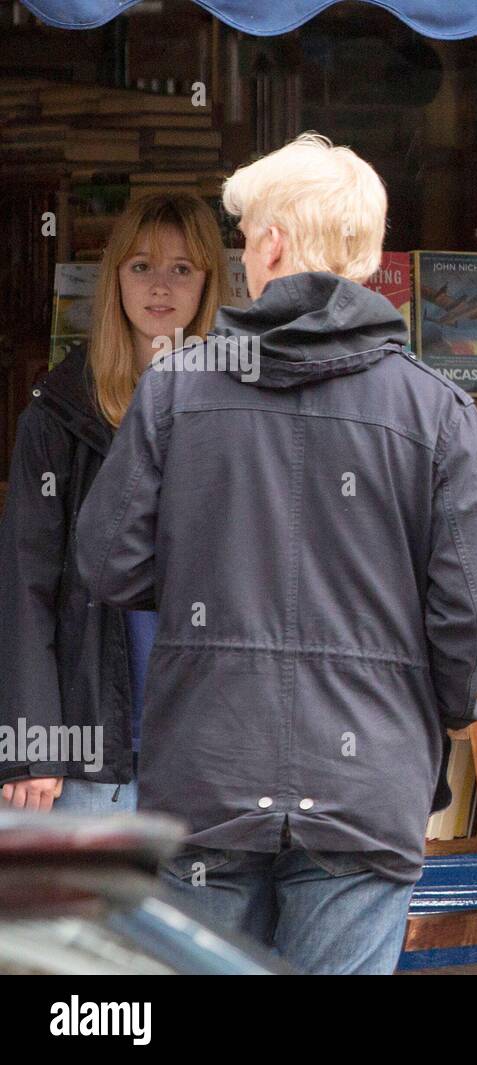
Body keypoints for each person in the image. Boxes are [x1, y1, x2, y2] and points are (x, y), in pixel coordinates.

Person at [74, 133, 477, 974]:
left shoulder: (175, 387)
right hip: (365, 784)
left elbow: (108, 564)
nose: (243, 258)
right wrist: (429, 709)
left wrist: (210, 557)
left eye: (245, 240)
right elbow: (474, 609)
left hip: (207, 774)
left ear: (274, 245)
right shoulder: (438, 411)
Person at [0, 193, 229, 814]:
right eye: (141, 266)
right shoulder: (60, 412)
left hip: (213, 752)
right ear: (115, 277)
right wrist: (33, 745)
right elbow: (26, 584)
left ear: (209, 281)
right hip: (94, 752)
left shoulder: (239, 408)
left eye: (182, 268)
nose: (160, 286)